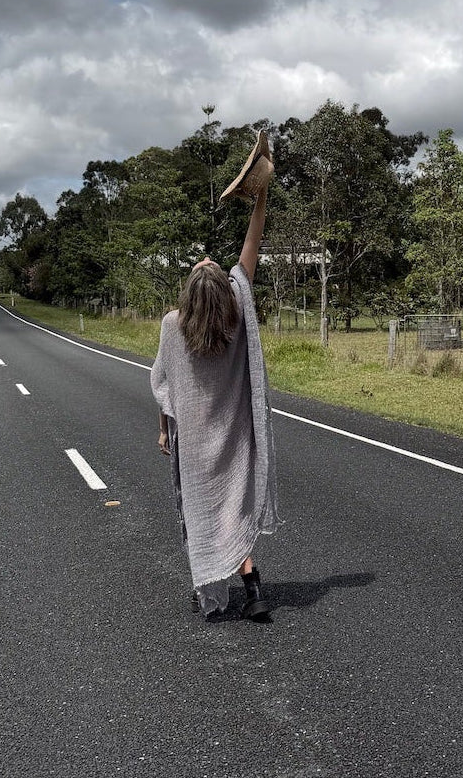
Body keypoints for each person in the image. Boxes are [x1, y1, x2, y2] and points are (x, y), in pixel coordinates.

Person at [150, 131, 281, 621]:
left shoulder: (172, 326)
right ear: (222, 290)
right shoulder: (237, 311)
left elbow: (162, 386)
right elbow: (253, 243)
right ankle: (253, 590)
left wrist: (164, 429)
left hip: (196, 441)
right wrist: (261, 196)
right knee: (234, 507)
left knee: (202, 511)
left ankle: (210, 585)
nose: (208, 260)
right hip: (235, 435)